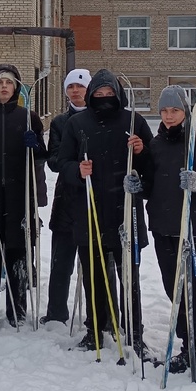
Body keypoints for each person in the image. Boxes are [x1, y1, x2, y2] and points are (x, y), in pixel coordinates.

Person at [55, 70, 153, 358]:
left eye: (109, 94)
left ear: (117, 94)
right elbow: (62, 161)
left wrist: (142, 150)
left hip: (125, 211)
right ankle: (94, 330)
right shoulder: (77, 123)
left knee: (129, 278)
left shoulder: (133, 122)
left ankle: (135, 333)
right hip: (90, 209)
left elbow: (151, 165)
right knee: (94, 277)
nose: (104, 98)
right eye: (98, 94)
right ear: (90, 96)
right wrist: (77, 170)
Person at [143, 84, 196, 376]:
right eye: (164, 110)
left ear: (186, 111)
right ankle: (187, 343)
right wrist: (138, 185)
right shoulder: (157, 143)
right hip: (162, 226)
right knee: (173, 289)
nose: (168, 116)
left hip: (191, 228)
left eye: (174, 110)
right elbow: (150, 183)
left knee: (192, 290)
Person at [0, 64, 47, 327]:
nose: (4, 86)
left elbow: (41, 156)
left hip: (19, 194)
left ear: (16, 88)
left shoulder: (28, 117)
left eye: (9, 83)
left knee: (18, 253)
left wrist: (34, 145)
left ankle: (18, 309)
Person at [43, 68, 91, 324]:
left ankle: (98, 314)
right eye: (71, 87)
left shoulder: (99, 118)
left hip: (95, 199)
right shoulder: (60, 122)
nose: (75, 91)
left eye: (80, 86)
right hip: (67, 199)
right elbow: (54, 160)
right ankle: (56, 313)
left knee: (95, 264)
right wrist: (74, 166)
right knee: (61, 262)